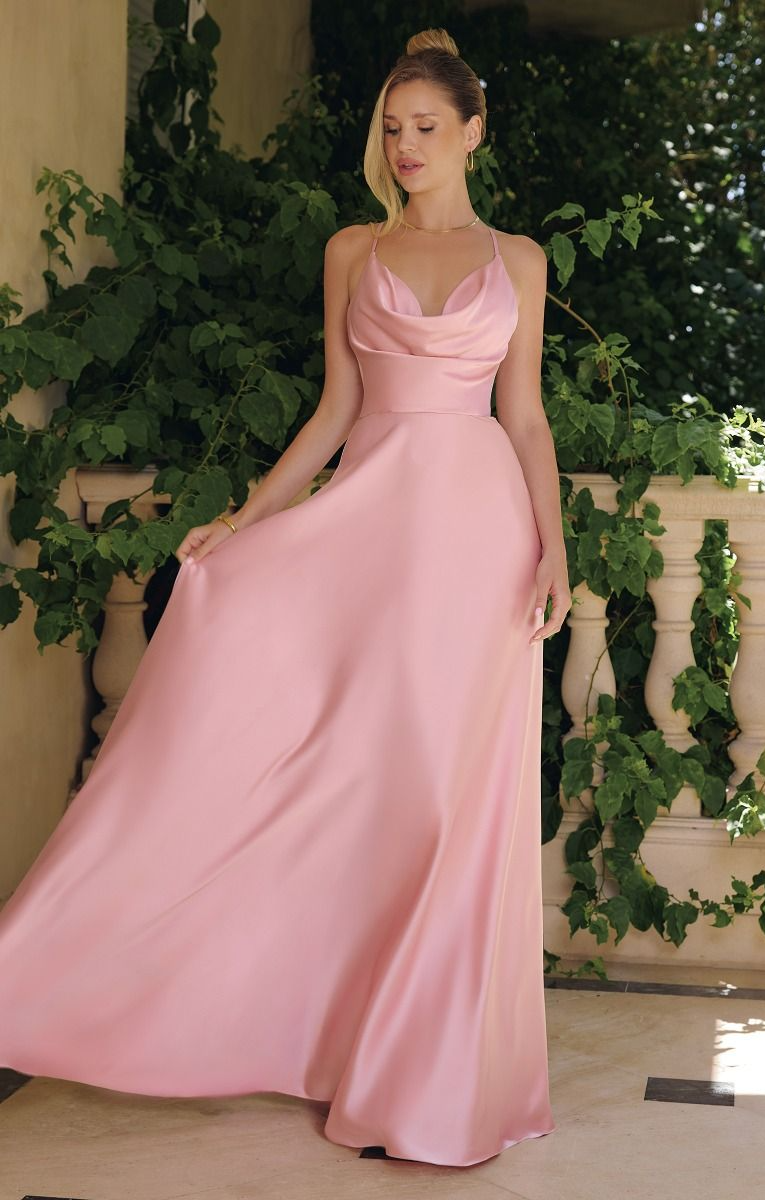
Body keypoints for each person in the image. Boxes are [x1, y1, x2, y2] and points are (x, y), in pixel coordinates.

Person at [0, 26, 569, 1168]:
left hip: (476, 544)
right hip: (366, 537)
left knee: (444, 804)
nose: (403, 148)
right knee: (340, 782)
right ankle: (67, 975)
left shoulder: (518, 264)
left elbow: (524, 417)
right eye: (391, 129)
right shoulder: (350, 251)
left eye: (424, 129)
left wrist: (554, 551)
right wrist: (246, 521)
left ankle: (430, 1081)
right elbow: (331, 413)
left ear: (472, 130)